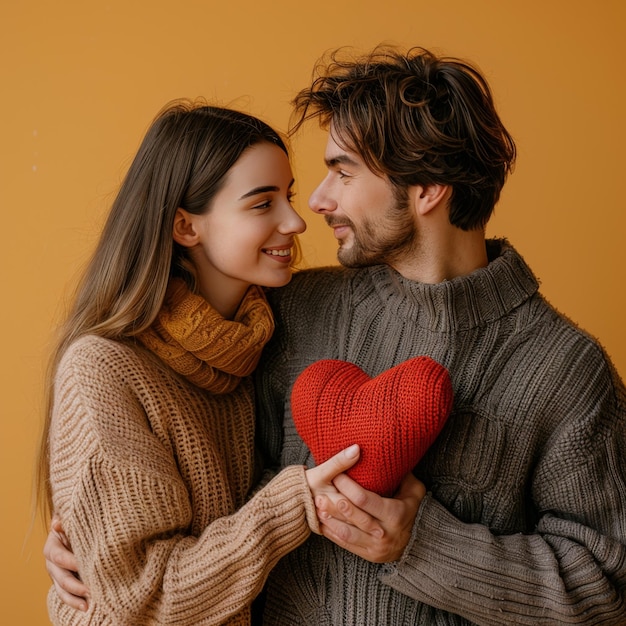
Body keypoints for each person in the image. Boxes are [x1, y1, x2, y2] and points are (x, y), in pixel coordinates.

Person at [46, 46, 626, 624]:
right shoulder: (286, 312)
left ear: (426, 189)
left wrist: (426, 546)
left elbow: (607, 589)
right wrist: (89, 544)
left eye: (342, 172)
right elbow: (185, 456)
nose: (315, 206)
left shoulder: (567, 370)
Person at [36, 100, 364, 625]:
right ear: (185, 227)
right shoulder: (103, 368)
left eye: (289, 196)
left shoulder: (261, 337)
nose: (297, 221)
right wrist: (294, 500)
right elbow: (148, 597)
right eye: (262, 204)